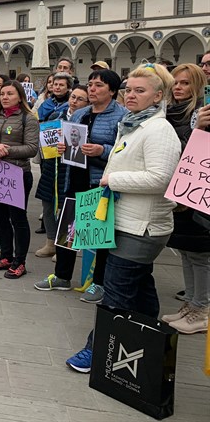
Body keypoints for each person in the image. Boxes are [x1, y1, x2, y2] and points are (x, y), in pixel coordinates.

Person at [66, 63, 181, 373]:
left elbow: (160, 178)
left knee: (116, 291)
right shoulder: (134, 124)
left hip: (140, 227)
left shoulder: (158, 129)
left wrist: (111, 180)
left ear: (158, 96)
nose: (131, 95)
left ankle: (97, 350)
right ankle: (150, 344)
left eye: (139, 90)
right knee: (141, 289)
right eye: (129, 89)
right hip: (125, 220)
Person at [34, 70, 126, 299]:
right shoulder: (80, 114)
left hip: (98, 182)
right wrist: (63, 147)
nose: (92, 89)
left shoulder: (121, 116)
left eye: (99, 85)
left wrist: (101, 150)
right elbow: (68, 140)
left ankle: (99, 283)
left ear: (112, 91)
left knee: (99, 236)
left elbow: (123, 150)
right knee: (68, 232)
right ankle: (62, 276)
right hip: (73, 178)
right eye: (91, 84)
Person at [161, 63, 209, 334]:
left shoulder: (203, 113)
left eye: (186, 83)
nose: (178, 88)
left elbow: (197, 153)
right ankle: (191, 303)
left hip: (197, 194)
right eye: (176, 83)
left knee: (200, 254)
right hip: (178, 194)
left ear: (198, 86)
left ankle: (202, 309)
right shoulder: (170, 112)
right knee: (186, 251)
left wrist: (199, 129)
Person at [0, 80, 40, 279]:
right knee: (0, 217)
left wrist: (5, 151)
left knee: (18, 219)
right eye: (2, 94)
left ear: (20, 96)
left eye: (10, 94)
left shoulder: (28, 118)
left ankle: (19, 261)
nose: (5, 97)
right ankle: (5, 255)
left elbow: (31, 148)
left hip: (17, 174)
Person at [32, 85, 88, 258]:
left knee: (68, 210)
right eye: (73, 97)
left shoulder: (86, 120)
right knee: (47, 207)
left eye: (80, 99)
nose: (75, 102)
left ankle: (64, 246)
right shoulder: (57, 116)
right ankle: (50, 242)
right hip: (51, 168)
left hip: (71, 171)